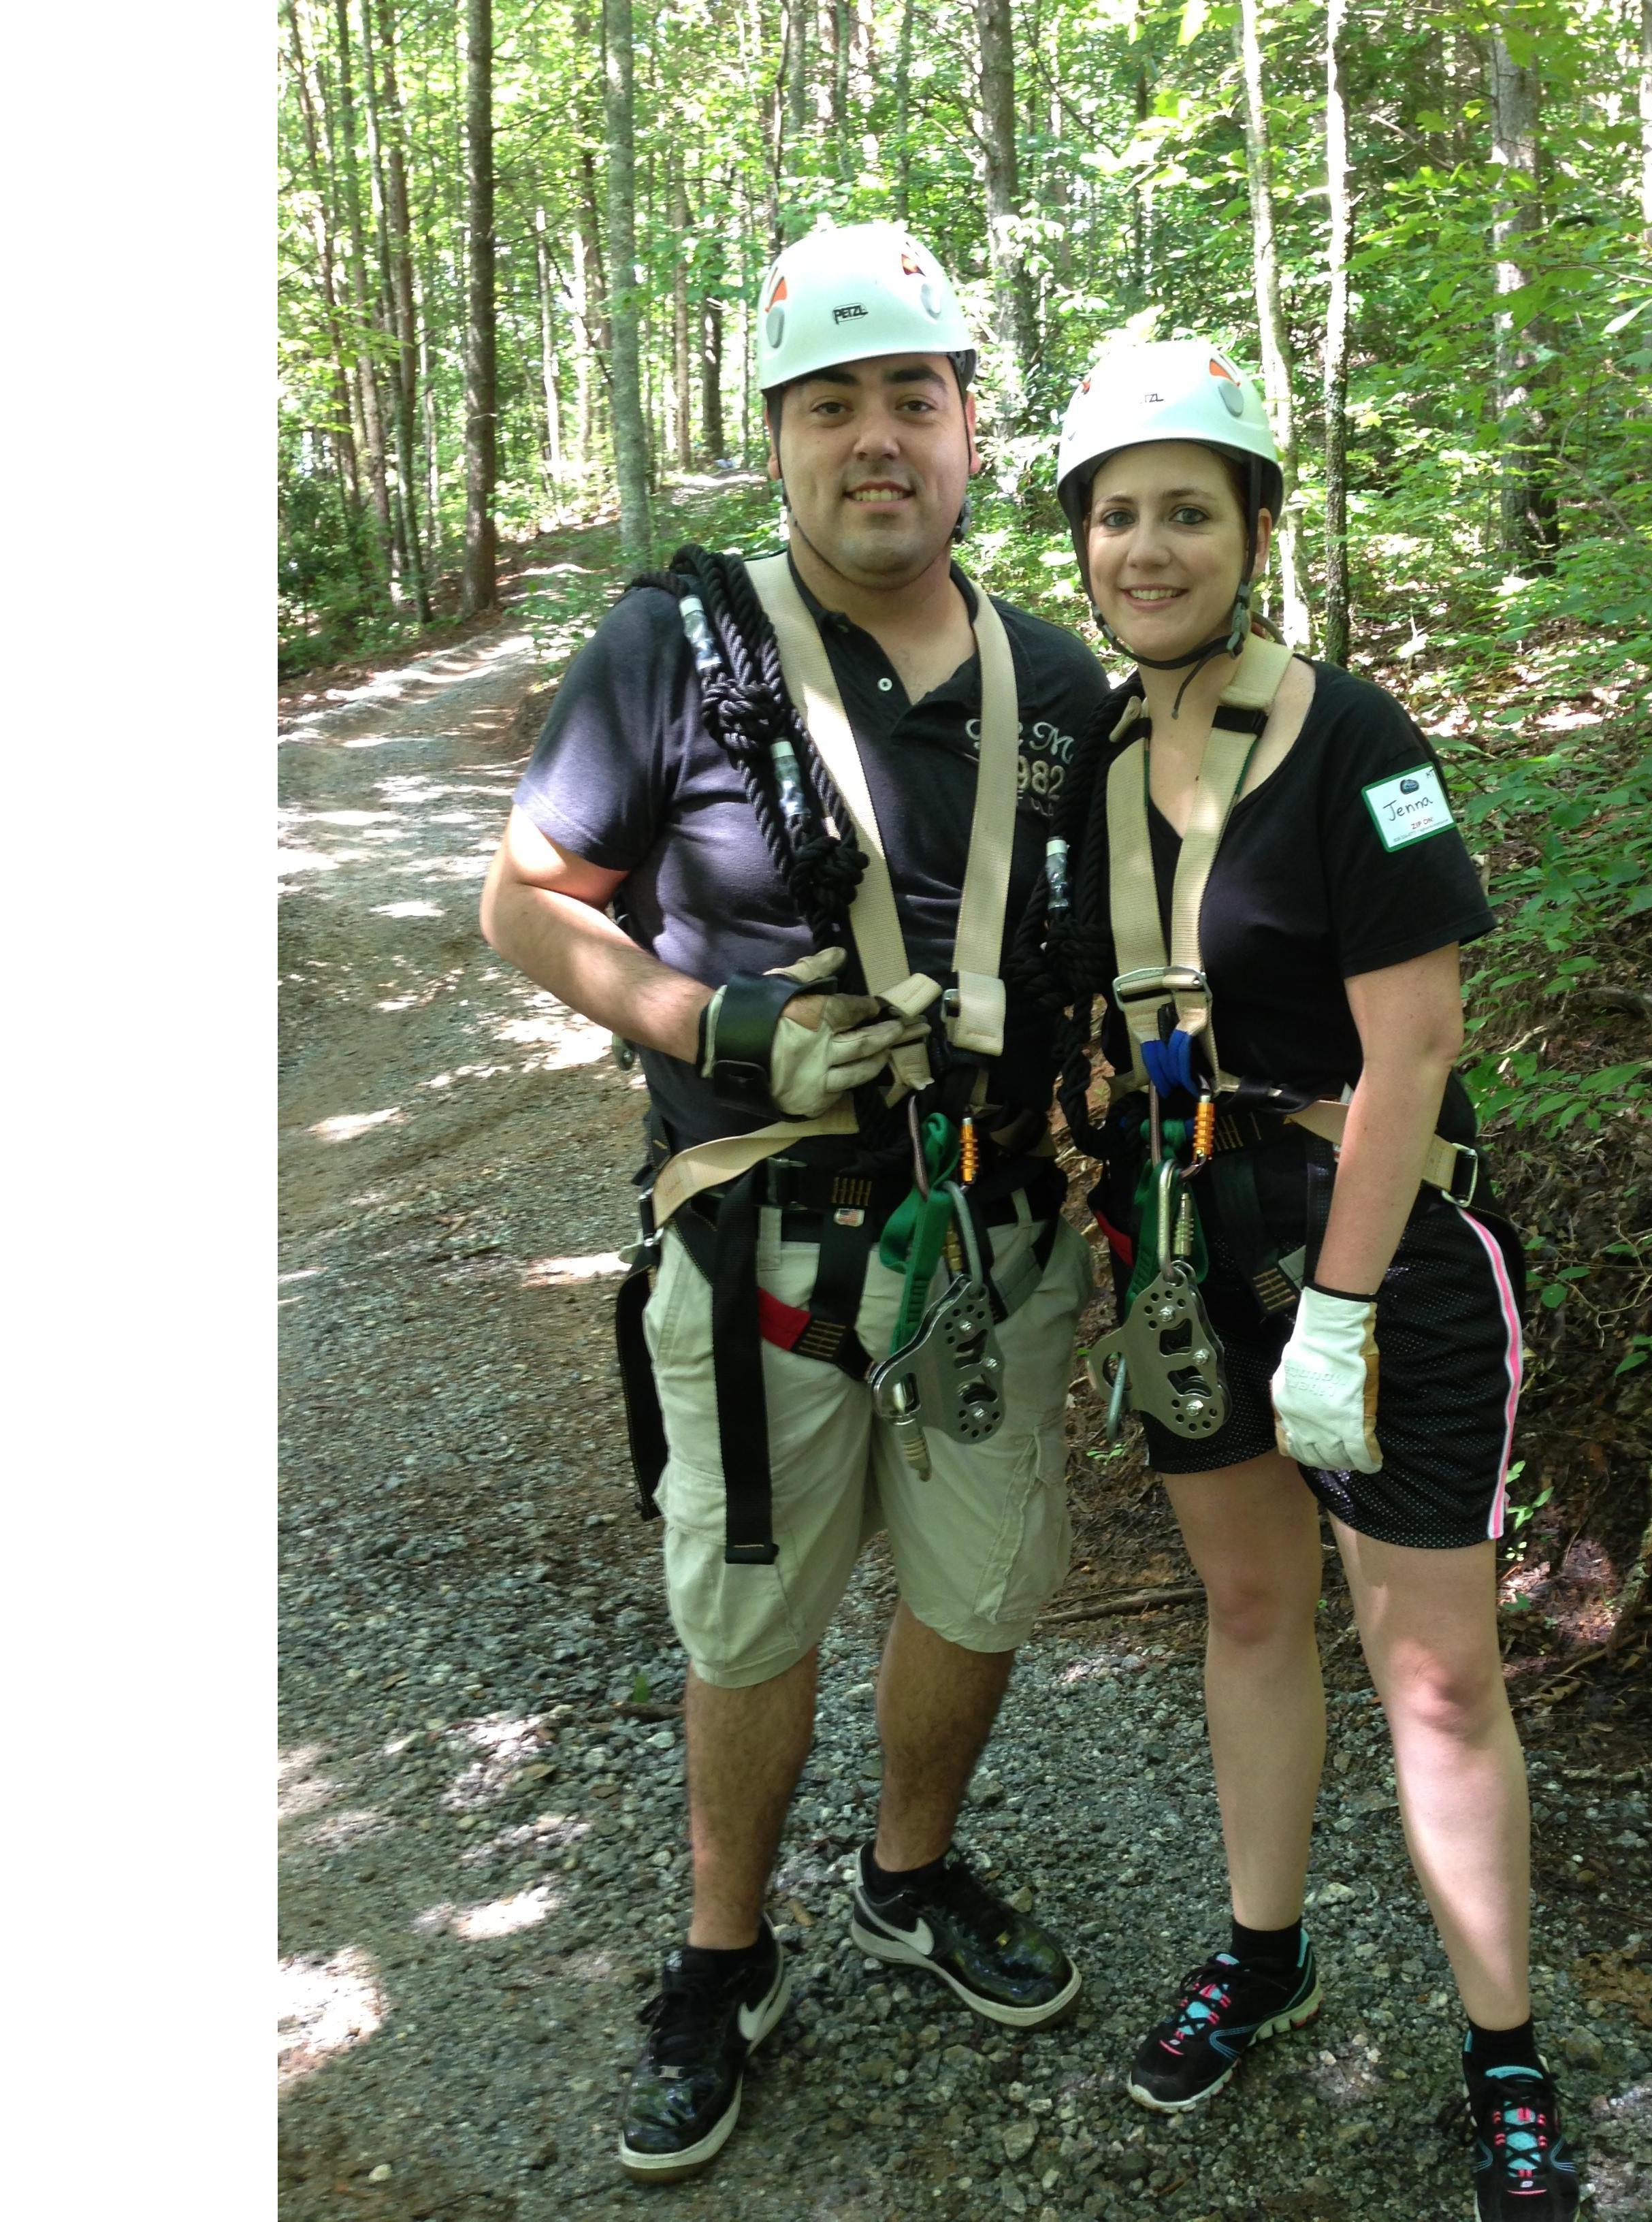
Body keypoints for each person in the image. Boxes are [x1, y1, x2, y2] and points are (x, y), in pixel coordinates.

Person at [479, 221, 1106, 2185]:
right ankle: (722, 1954)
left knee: (986, 1585)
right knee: (749, 1617)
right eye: (830, 404)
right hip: (763, 1247)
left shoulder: (1064, 678)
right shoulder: (676, 650)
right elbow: (523, 902)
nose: (875, 440)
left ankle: (907, 1873)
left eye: (910, 397)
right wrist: (710, 1021)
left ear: (971, 429)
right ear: (777, 439)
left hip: (998, 1240)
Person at [1034, 340, 1582, 2219]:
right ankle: (1266, 1955)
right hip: (1192, 1246)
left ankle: (1502, 2046)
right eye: (1119, 515)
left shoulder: (1359, 744)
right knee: (1252, 1616)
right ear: (1085, 547)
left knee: (1433, 1678)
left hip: (1384, 1250)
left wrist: (1342, 1312)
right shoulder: (1095, 759)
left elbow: (1411, 1049)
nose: (1150, 545)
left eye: (1190, 509)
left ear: (1255, 530)